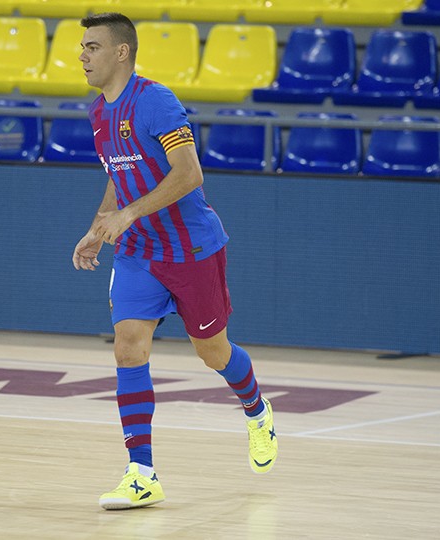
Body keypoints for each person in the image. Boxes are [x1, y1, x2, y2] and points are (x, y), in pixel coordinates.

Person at [71, 12, 278, 511]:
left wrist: (127, 214)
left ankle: (256, 408)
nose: (83, 55)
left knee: (212, 352)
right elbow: (119, 175)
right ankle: (141, 472)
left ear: (122, 52)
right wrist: (101, 226)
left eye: (92, 46)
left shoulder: (156, 101)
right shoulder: (99, 112)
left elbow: (189, 174)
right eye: (82, 47)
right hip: (139, 252)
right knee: (128, 347)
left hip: (191, 251)